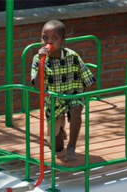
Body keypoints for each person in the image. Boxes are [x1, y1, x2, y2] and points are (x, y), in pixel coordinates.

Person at [31, 20, 96, 162]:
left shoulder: (72, 56)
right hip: (54, 101)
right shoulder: (38, 59)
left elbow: (89, 79)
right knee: (56, 147)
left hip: (72, 95)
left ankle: (71, 146)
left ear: (62, 41)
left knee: (76, 109)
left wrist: (82, 93)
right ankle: (57, 132)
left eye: (54, 39)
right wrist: (42, 63)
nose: (49, 42)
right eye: (45, 38)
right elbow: (37, 86)